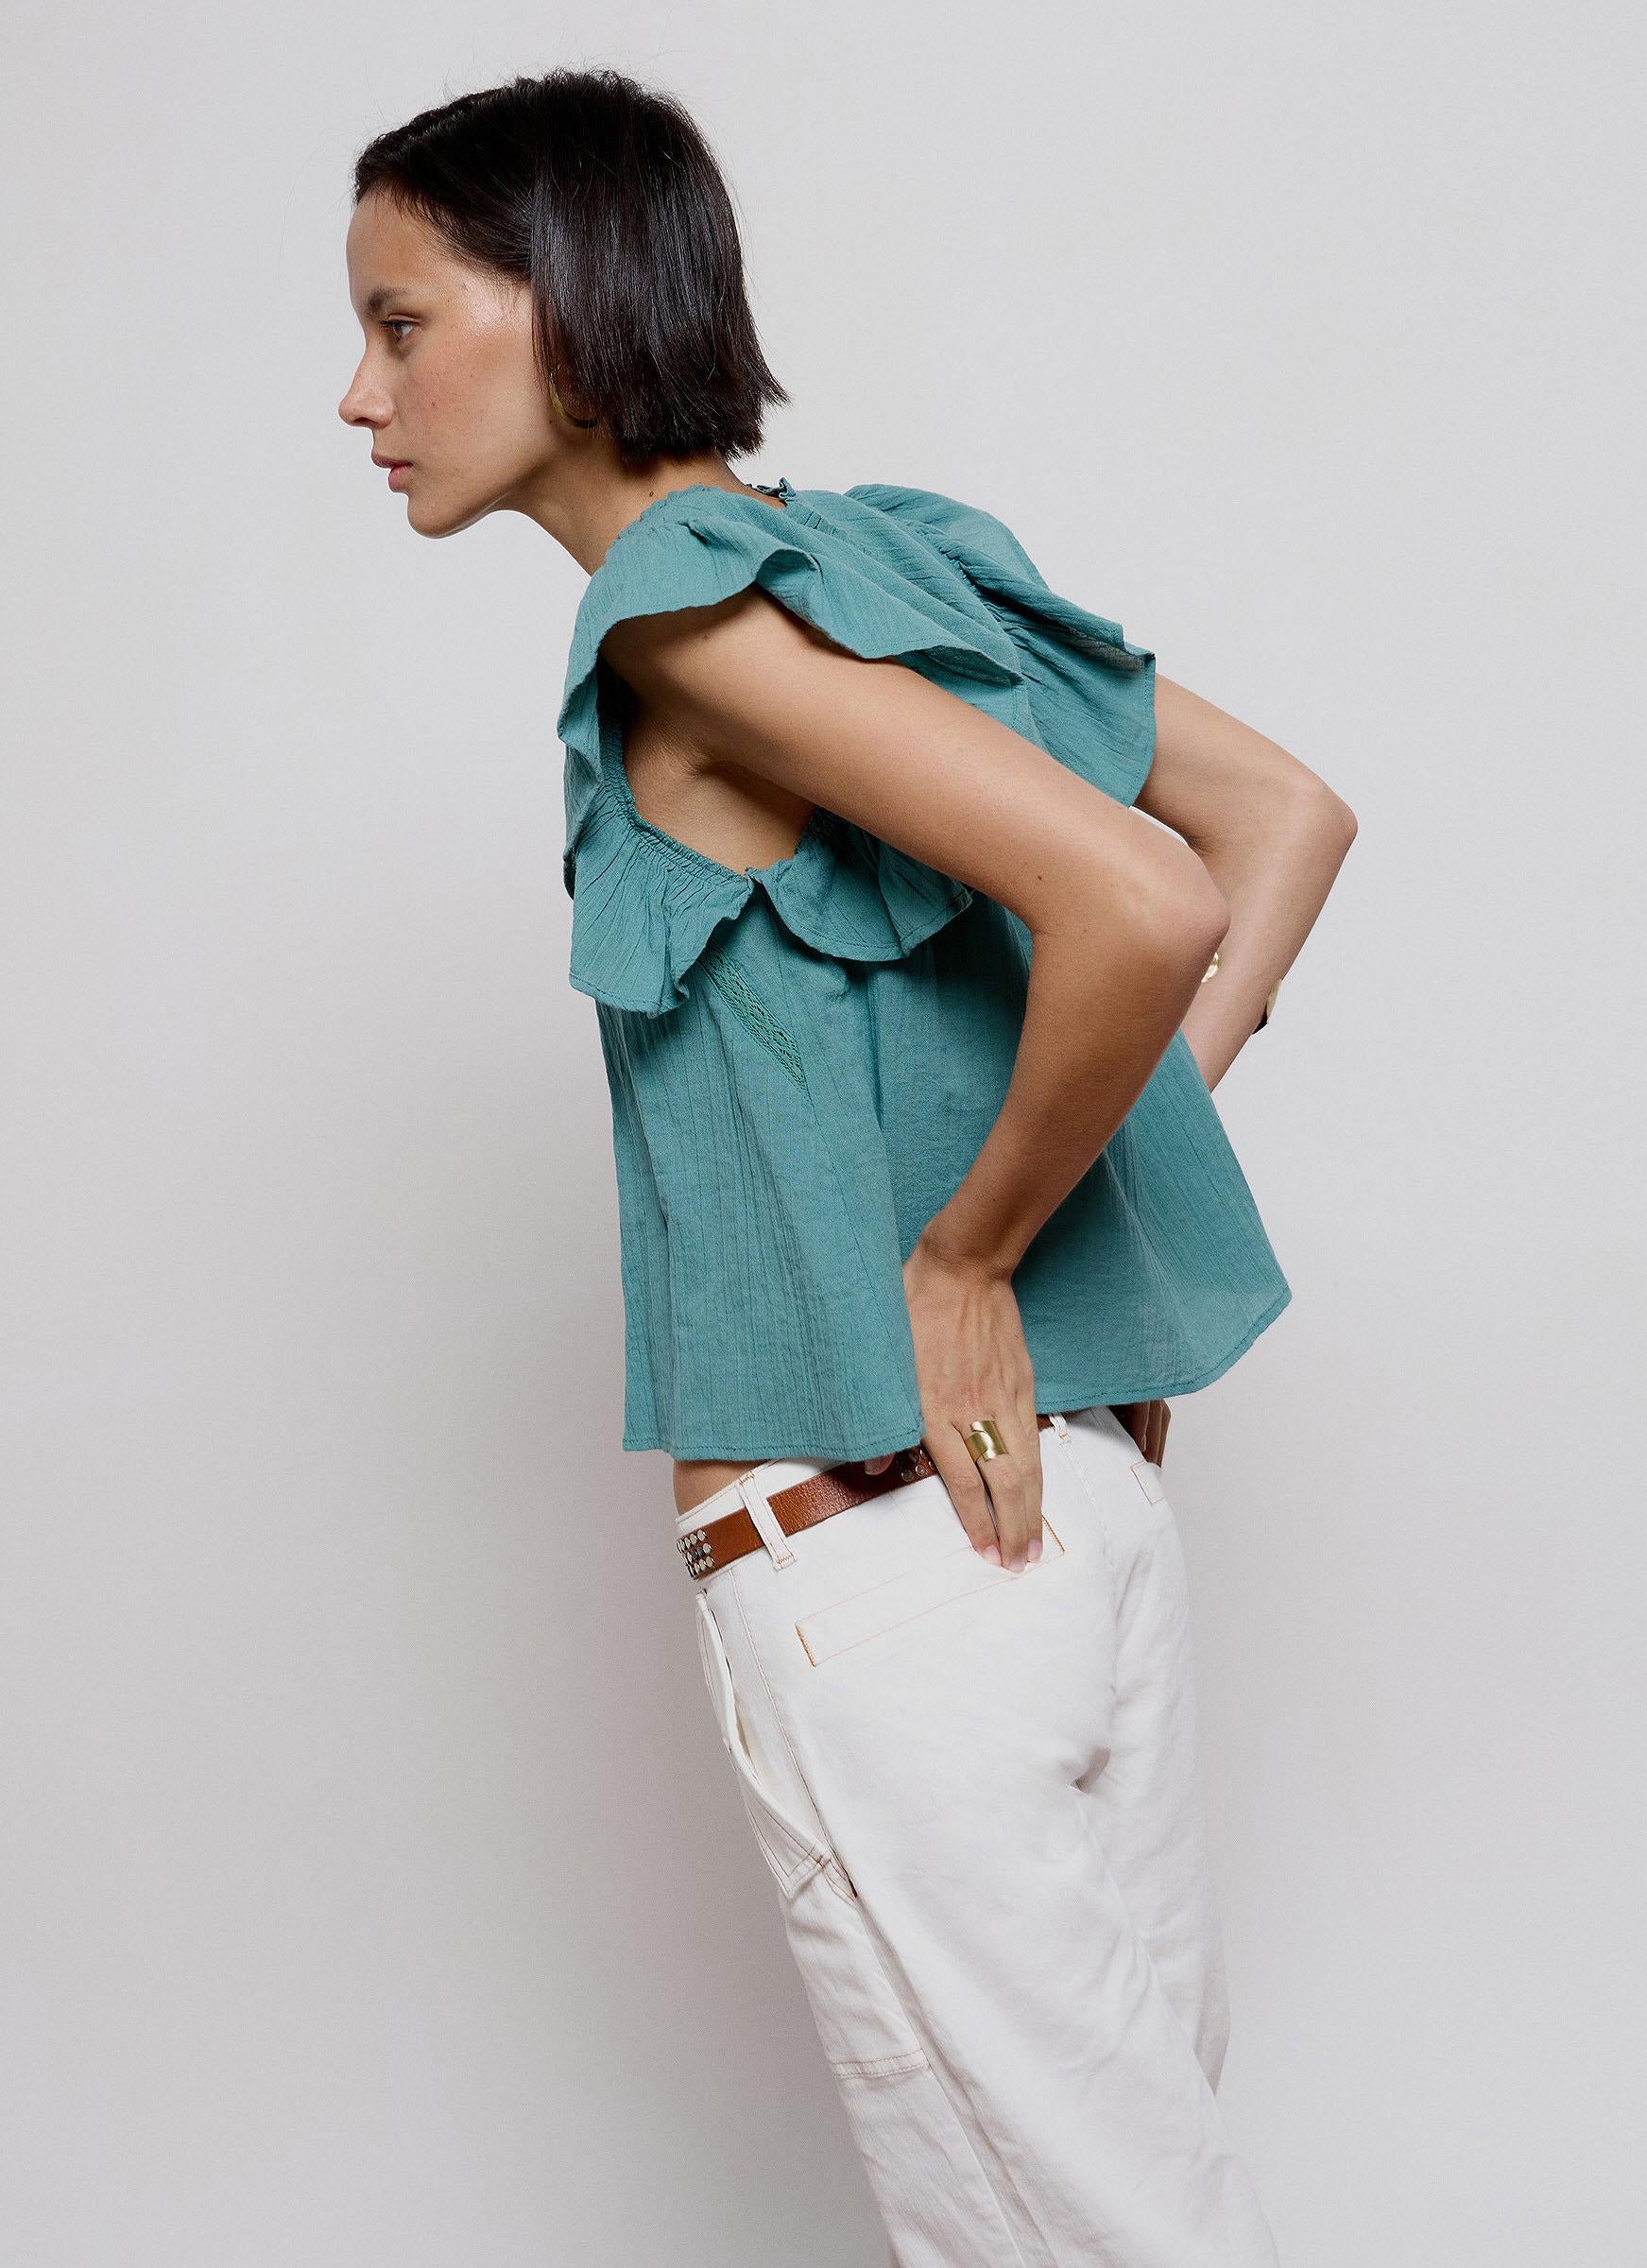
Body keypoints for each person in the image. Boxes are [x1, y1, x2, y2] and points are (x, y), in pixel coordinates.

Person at [341, 64, 1355, 2267]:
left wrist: (978, 1251)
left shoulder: (677, 621)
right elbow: (1282, 821)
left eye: (402, 323)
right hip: (1081, 1527)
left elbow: (1150, 896)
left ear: (566, 308)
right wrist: (1094, 1180)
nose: (362, 396)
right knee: (1141, 2203)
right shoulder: (886, 555)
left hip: (889, 1561)